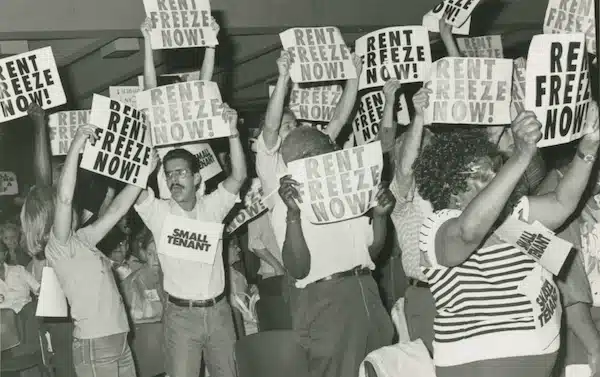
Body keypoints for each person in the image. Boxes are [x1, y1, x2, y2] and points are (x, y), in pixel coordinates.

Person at [412, 106, 600, 377]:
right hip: (480, 365)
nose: (495, 179)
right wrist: (522, 155)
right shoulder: (436, 226)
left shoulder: (511, 214)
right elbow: (468, 232)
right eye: (481, 175)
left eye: (494, 171)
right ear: (450, 191)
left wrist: (588, 149)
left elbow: (561, 203)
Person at [21, 124, 157, 377]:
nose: (73, 207)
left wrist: (141, 175)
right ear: (50, 214)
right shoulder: (58, 246)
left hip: (118, 339)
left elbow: (116, 210)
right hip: (95, 345)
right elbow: (64, 197)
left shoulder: (81, 238)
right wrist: (76, 147)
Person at [133, 104, 247, 377]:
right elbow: (135, 192)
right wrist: (142, 164)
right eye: (169, 174)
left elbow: (239, 176)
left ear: (197, 178)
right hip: (181, 317)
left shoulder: (212, 207)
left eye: (181, 173)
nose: (174, 179)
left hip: (219, 312)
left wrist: (232, 134)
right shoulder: (158, 212)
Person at [275, 126, 395, 377]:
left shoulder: (349, 191)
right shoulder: (287, 203)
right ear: (304, 160)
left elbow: (371, 252)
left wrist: (380, 216)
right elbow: (298, 269)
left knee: (381, 369)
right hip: (327, 302)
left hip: (366, 291)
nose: (336, 152)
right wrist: (293, 216)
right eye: (328, 149)